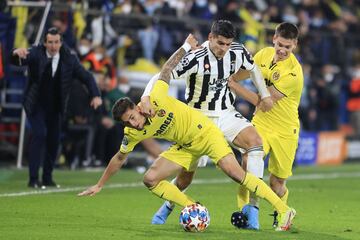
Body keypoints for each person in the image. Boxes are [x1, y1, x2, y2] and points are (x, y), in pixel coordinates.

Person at [78, 34, 296, 232]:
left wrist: (184, 47)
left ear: (137, 107)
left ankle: (281, 208)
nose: (134, 124)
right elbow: (119, 157)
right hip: (185, 144)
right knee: (152, 179)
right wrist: (100, 184)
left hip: (206, 134)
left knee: (237, 173)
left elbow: (164, 72)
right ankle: (192, 207)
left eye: (133, 117)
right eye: (128, 123)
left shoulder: (156, 99)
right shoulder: (132, 132)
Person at [141, 19, 272, 227]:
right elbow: (162, 75)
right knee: (186, 177)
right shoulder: (195, 57)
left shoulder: (237, 51)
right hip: (197, 120)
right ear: (210, 37)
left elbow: (253, 68)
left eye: (228, 44)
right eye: (220, 43)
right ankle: (167, 207)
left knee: (255, 143)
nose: (224, 48)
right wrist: (146, 97)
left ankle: (252, 210)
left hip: (226, 113)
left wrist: (264, 95)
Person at [228, 22, 303, 229]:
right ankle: (248, 214)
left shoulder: (294, 74)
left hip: (285, 130)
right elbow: (246, 72)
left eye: (287, 47)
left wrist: (234, 86)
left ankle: (282, 215)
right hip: (261, 123)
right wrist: (232, 77)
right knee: (247, 163)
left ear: (295, 45)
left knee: (276, 183)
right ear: (274, 39)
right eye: (280, 44)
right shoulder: (263, 54)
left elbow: (264, 102)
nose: (282, 50)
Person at [10, 27, 102, 188]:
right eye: (50, 42)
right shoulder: (36, 53)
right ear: (45, 43)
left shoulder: (69, 59)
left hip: (56, 106)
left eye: (56, 42)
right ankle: (33, 179)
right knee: (39, 134)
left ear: (61, 43)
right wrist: (15, 53)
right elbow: (18, 60)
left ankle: (47, 178)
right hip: (35, 104)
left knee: (53, 141)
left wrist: (95, 95)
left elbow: (86, 77)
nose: (53, 46)